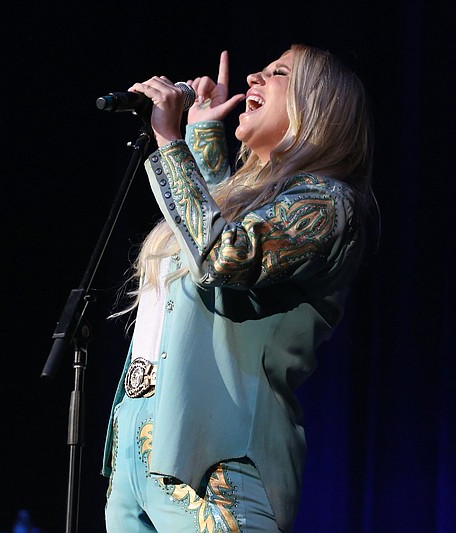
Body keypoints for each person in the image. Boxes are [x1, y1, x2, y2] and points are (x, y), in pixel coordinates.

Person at [101, 45, 374, 532]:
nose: (254, 76)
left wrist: (170, 142)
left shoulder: (328, 204)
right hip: (140, 448)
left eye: (278, 73)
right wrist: (202, 132)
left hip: (219, 465)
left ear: (318, 104)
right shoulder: (256, 201)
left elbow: (224, 257)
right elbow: (205, 231)